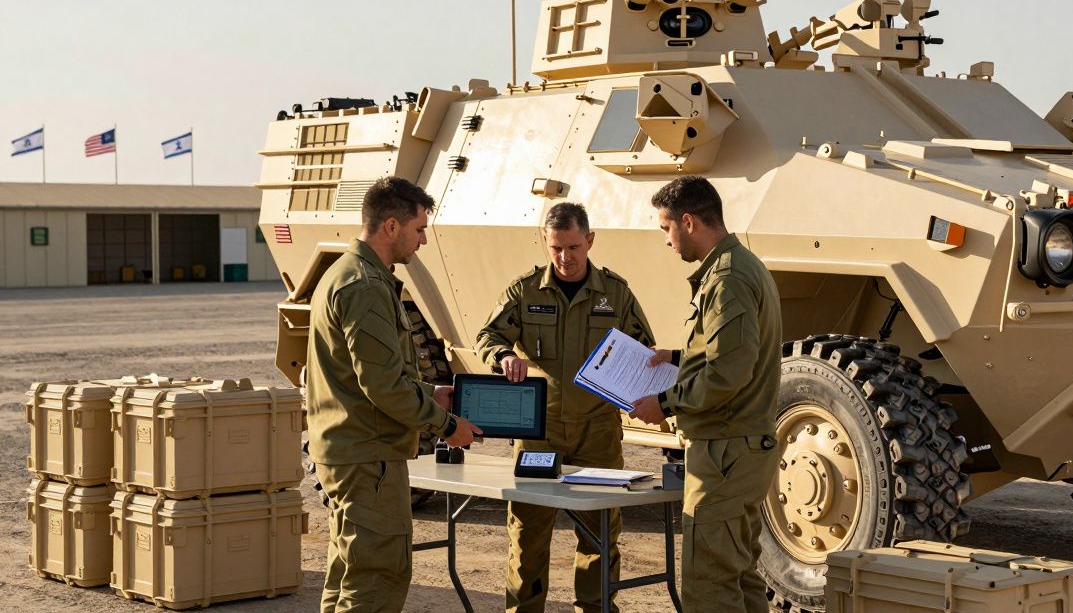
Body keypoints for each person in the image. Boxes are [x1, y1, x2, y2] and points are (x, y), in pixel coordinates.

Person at [306, 175, 481, 613]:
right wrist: (447, 426)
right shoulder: (365, 285)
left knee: (348, 576)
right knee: (376, 582)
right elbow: (381, 385)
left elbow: (370, 375)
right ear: (391, 227)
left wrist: (429, 392)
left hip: (355, 451)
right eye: (419, 229)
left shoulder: (352, 275)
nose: (422, 241)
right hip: (367, 458)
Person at [476, 202, 655, 613]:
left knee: (600, 534)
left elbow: (644, 349)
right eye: (555, 247)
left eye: (573, 246)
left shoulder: (616, 292)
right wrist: (502, 355)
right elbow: (489, 335)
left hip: (598, 432)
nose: (564, 257)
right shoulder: (524, 291)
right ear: (545, 242)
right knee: (528, 532)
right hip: (541, 432)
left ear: (589, 240)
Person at [628, 176, 782, 613]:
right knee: (737, 575)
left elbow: (729, 371)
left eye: (666, 228)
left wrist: (664, 403)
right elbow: (731, 350)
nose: (667, 240)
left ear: (689, 222)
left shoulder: (727, 278)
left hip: (725, 451)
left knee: (710, 584)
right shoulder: (738, 266)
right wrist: (678, 355)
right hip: (738, 447)